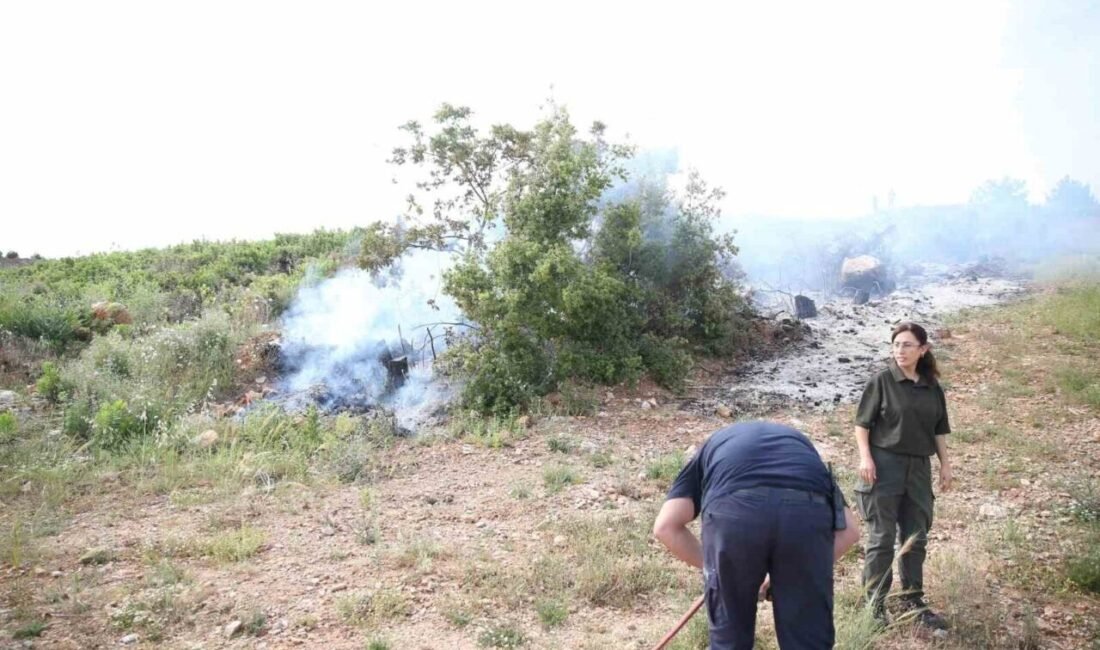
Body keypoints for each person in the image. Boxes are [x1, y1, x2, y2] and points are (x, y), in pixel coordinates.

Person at [653, 420, 860, 650]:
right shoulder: (805, 453)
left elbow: (666, 527)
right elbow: (850, 530)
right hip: (805, 513)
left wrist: (718, 568)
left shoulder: (710, 449)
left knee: (729, 643)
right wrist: (798, 570)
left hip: (734, 513)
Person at [854, 322, 952, 629]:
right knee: (881, 539)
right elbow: (862, 425)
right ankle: (875, 605)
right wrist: (865, 458)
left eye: (907, 345)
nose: (900, 351)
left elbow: (938, 430)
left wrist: (946, 464)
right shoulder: (882, 381)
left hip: (919, 469)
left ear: (923, 350)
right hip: (884, 466)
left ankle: (913, 600)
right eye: (896, 345)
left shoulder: (932, 387)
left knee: (916, 536)